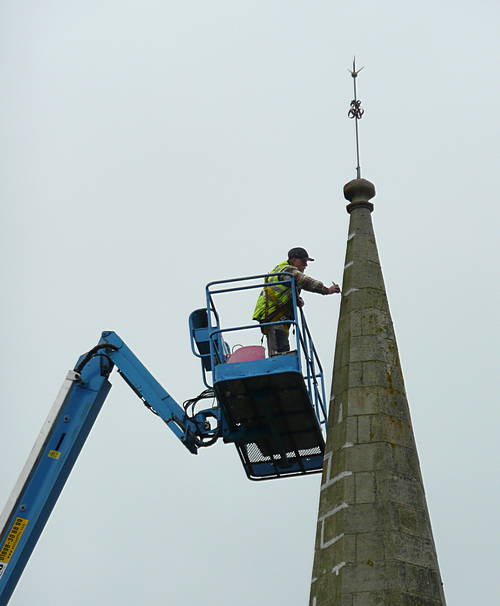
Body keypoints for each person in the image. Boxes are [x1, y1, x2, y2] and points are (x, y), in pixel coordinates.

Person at [252, 247, 341, 356]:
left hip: (274, 317)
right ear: (294, 260)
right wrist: (326, 290)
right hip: (274, 317)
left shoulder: (281, 271)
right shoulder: (287, 270)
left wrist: (297, 300)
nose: (306, 265)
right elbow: (304, 281)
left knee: (280, 349)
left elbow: (282, 293)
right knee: (280, 353)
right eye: (303, 261)